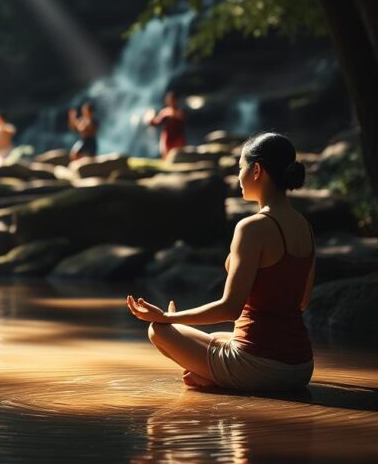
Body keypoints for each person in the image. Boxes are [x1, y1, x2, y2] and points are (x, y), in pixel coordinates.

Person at [126, 132, 315, 391]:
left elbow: (229, 309)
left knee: (158, 331)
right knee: (214, 338)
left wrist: (169, 318)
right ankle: (213, 376)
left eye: (241, 168)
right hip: (301, 366)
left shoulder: (252, 228)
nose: (238, 176)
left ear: (257, 170)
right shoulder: (304, 225)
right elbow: (302, 301)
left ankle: (218, 379)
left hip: (262, 368)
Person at [148, 91, 186, 159]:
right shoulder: (165, 112)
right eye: (170, 99)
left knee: (178, 156)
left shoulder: (180, 112)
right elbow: (156, 122)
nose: (171, 101)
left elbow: (184, 121)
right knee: (166, 156)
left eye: (173, 99)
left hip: (178, 138)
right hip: (168, 138)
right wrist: (150, 119)